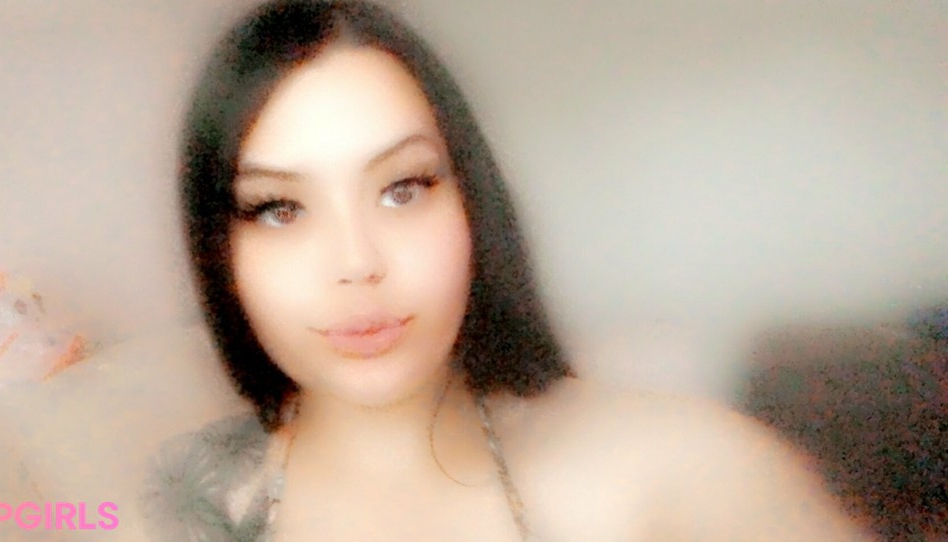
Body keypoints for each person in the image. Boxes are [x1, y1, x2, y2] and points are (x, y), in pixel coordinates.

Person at [142, 1, 876, 540]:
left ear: (472, 202)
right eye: (278, 209)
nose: (357, 263)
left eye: (404, 189)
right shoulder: (179, 502)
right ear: (218, 250)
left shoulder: (688, 475)